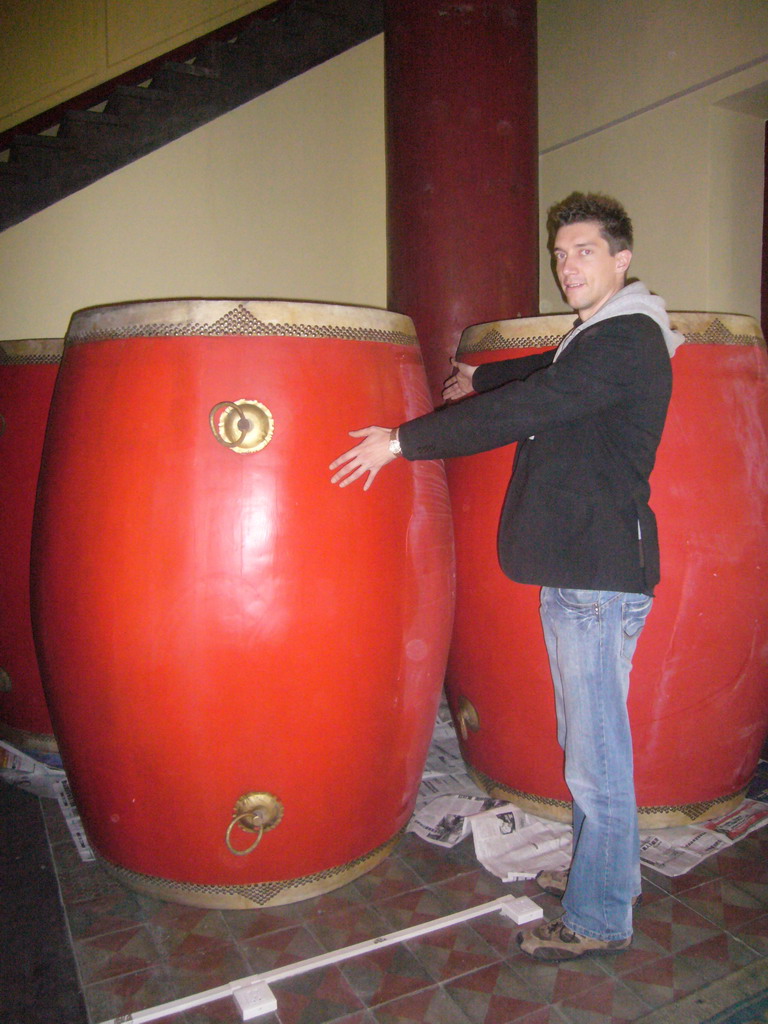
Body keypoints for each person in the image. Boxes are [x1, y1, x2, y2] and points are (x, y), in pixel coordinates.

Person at [330, 192, 682, 961]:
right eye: (559, 254)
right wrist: (478, 377)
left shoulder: (624, 340)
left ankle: (598, 919)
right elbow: (544, 374)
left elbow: (547, 396)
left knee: (596, 760)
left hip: (597, 577)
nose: (566, 267)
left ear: (622, 260)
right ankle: (606, 880)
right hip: (590, 572)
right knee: (591, 747)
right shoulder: (606, 336)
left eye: (583, 251)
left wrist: (401, 441)